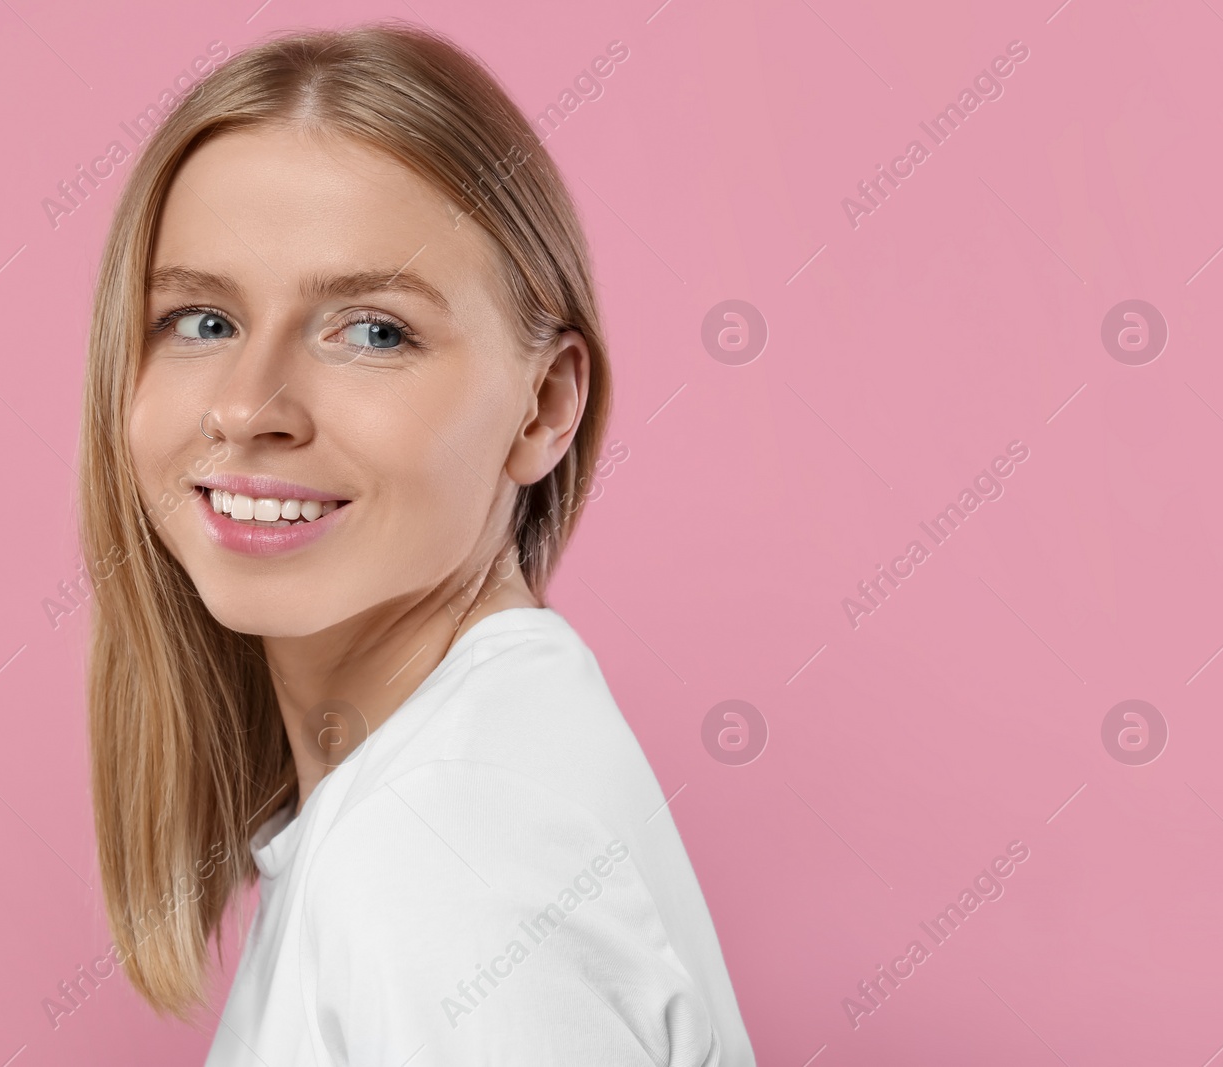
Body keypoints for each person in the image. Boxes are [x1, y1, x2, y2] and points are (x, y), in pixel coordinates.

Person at [76, 21, 756, 1065]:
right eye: (202, 320)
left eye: (373, 330)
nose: (249, 406)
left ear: (543, 406)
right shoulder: (440, 785)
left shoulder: (441, 845)